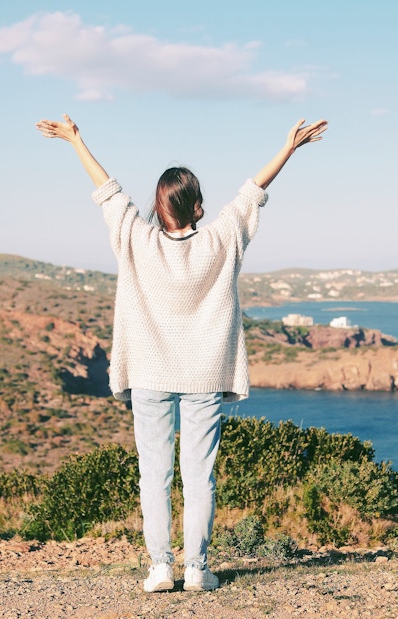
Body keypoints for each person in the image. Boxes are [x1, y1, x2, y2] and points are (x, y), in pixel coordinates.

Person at [36, 114, 328, 592]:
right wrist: (290, 147)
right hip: (204, 374)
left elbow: (108, 190)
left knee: (154, 474)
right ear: (198, 206)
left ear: (157, 205)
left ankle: (159, 568)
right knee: (199, 476)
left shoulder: (135, 236)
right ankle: (196, 568)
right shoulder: (221, 238)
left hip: (150, 372)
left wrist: (74, 140)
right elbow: (252, 191)